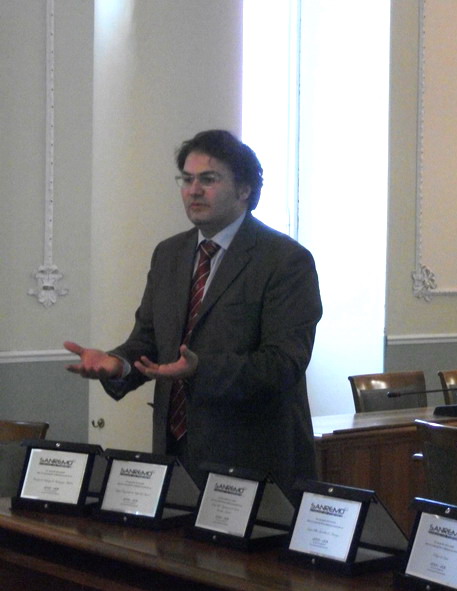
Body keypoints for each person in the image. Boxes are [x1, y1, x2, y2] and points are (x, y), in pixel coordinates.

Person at [65, 129, 322, 500]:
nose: (194, 190)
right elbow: (149, 339)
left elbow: (284, 363)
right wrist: (118, 364)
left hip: (252, 462)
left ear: (244, 189)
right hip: (175, 456)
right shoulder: (169, 254)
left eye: (208, 179)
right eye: (187, 180)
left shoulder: (285, 260)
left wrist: (200, 369)